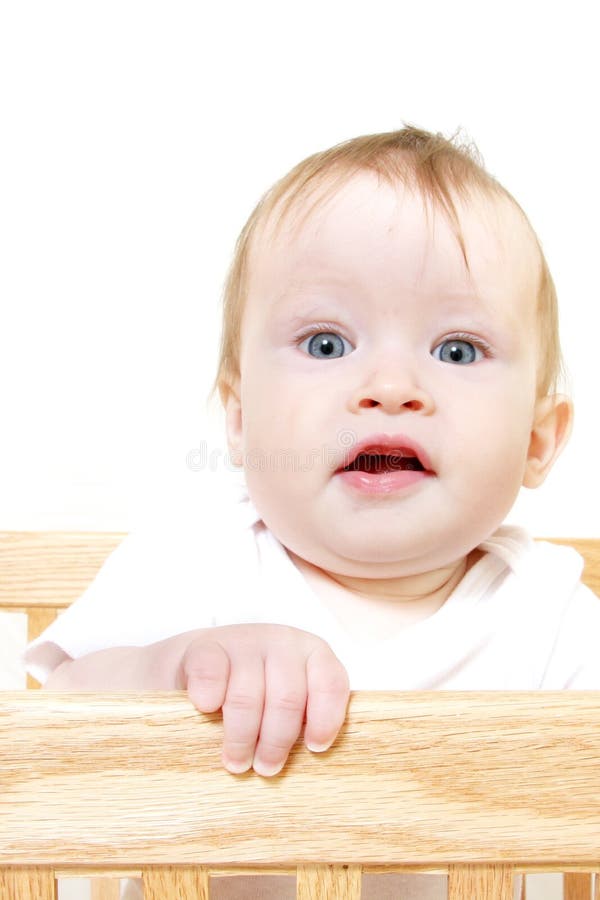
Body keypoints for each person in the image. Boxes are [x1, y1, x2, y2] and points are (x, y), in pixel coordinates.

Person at [24, 126, 599, 900]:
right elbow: (52, 732)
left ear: (538, 440)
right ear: (239, 417)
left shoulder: (550, 612)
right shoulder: (195, 560)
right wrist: (173, 667)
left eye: (457, 351)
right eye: (327, 343)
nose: (390, 385)